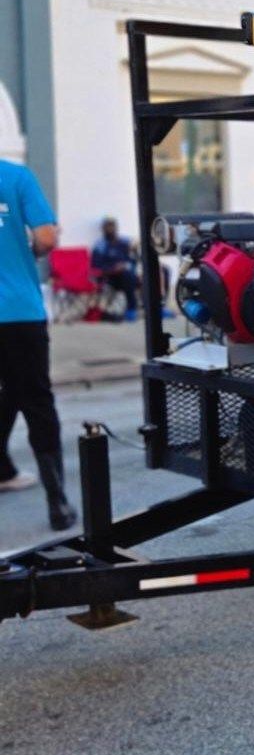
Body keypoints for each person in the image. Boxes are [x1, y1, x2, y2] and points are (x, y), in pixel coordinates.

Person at [0, 158, 77, 530]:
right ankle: (57, 503)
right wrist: (22, 251)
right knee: (35, 399)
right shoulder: (15, 177)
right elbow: (46, 237)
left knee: (11, 391)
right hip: (18, 310)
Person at [91, 216, 139, 322]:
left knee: (162, 270)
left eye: (112, 226)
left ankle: (159, 307)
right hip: (110, 278)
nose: (110, 229)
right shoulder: (100, 246)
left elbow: (134, 259)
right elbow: (96, 268)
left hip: (129, 274)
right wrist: (113, 269)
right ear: (103, 229)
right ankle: (131, 308)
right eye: (108, 226)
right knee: (127, 275)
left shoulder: (124, 242)